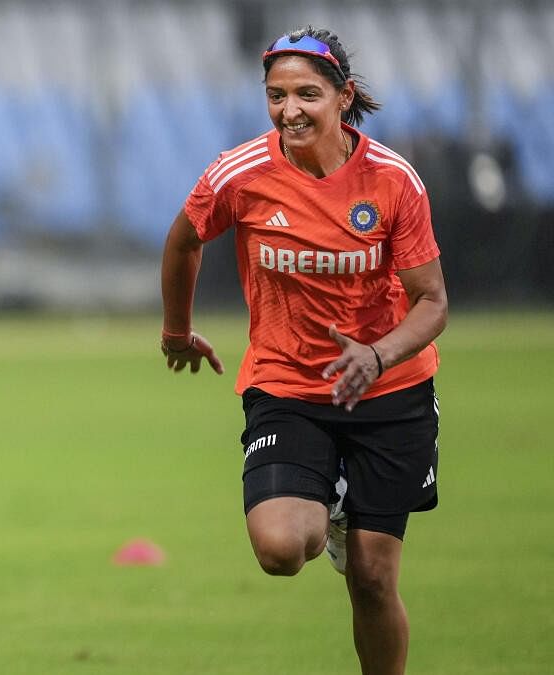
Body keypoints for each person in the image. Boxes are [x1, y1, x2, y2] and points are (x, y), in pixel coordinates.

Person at [159, 27, 447, 675]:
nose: (290, 109)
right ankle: (332, 501)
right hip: (289, 389)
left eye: (307, 94)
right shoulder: (241, 173)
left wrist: (377, 355)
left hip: (391, 394)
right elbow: (183, 241)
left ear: (343, 98)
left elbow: (432, 301)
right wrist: (177, 329)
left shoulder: (393, 181)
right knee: (281, 548)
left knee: (373, 579)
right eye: (276, 95)